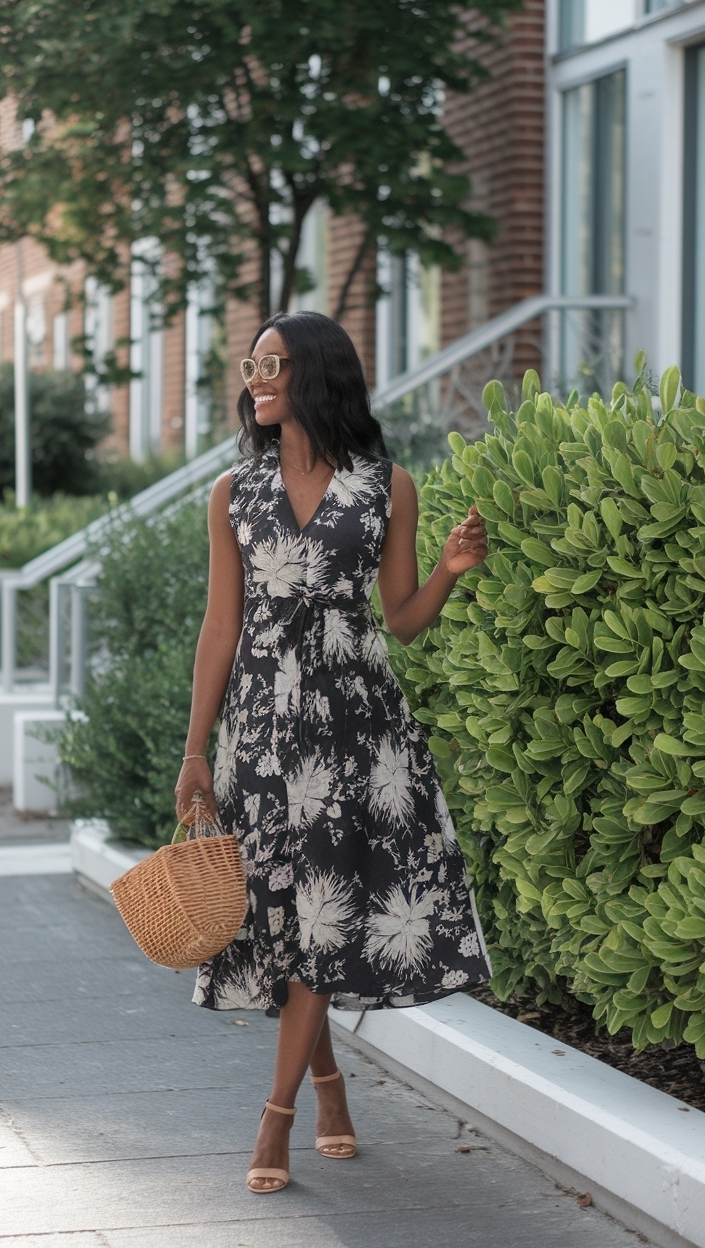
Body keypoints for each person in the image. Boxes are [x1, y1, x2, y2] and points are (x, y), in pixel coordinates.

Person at [175, 310, 491, 1194]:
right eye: (250, 364)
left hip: (361, 731)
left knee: (327, 912)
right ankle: (328, 1088)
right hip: (264, 737)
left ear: (316, 373)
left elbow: (401, 620)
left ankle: (274, 1123)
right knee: (287, 917)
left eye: (271, 363)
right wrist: (194, 751)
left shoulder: (388, 486)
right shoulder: (234, 493)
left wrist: (450, 574)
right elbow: (220, 626)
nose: (255, 377)